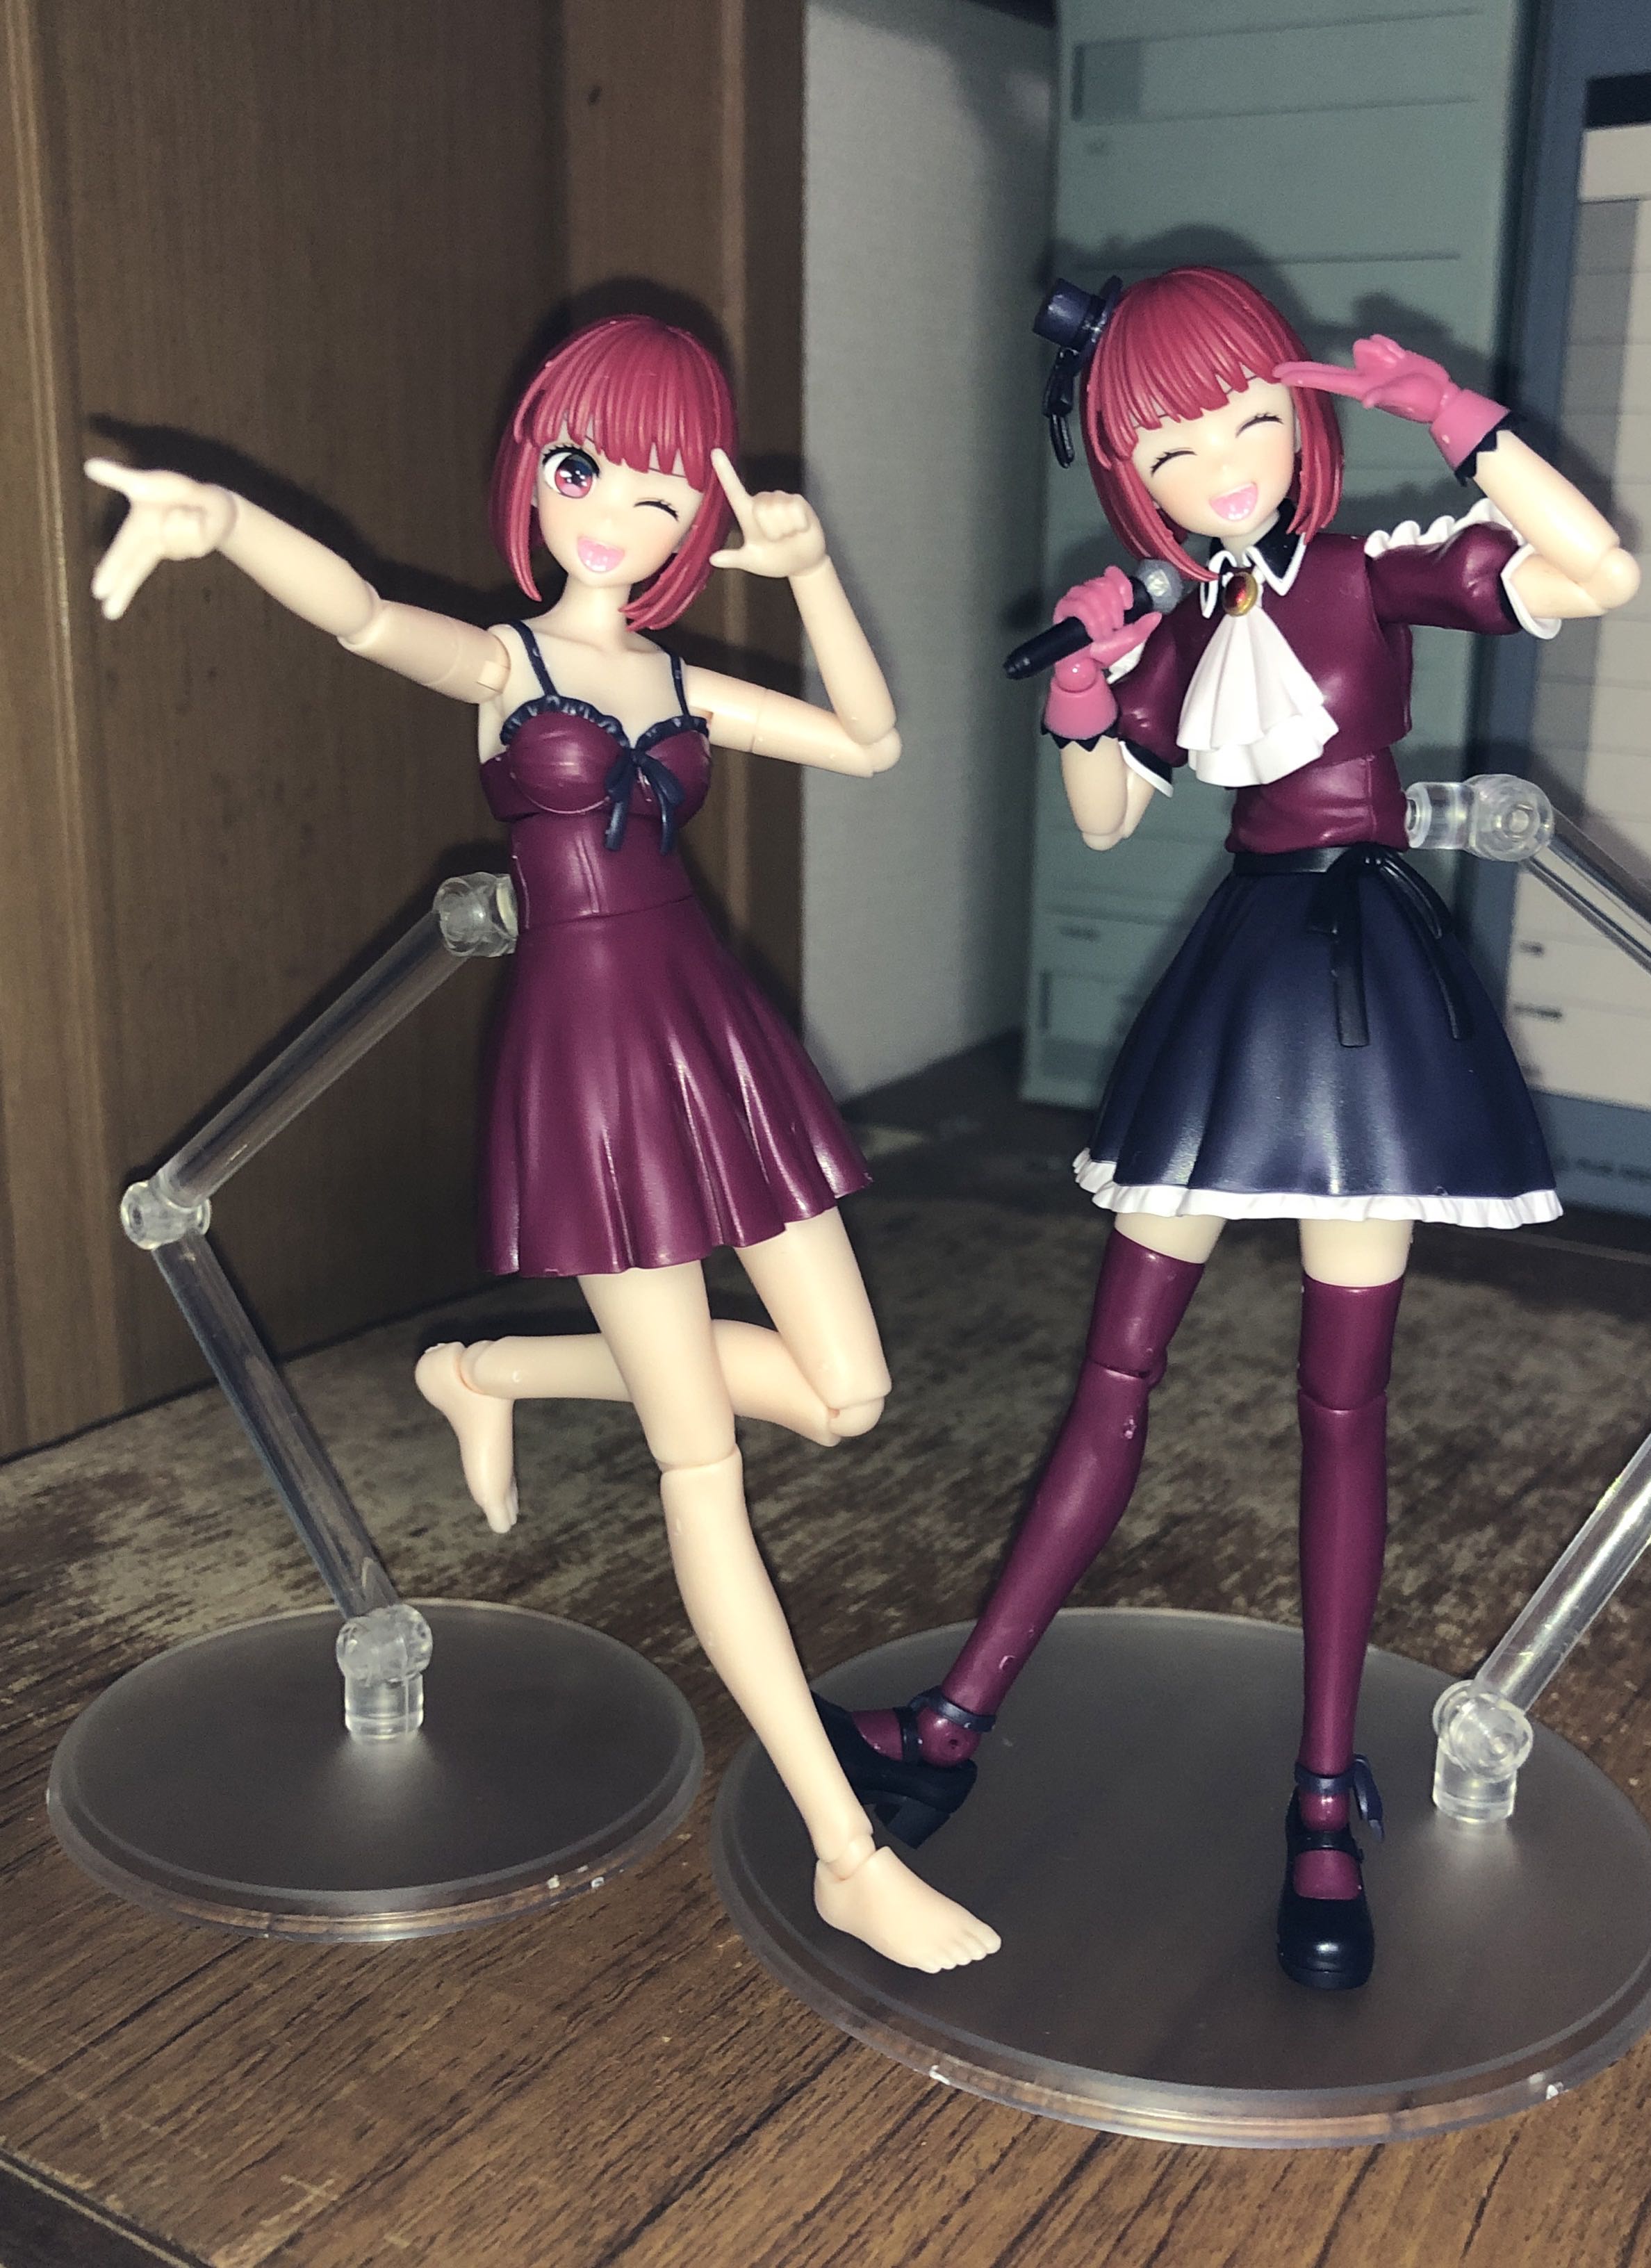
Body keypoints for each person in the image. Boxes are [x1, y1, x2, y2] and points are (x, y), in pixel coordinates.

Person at [87, 313, 999, 1975]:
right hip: (588, 1063)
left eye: (664, 495)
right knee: (701, 1462)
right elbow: (364, 613)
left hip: (715, 1043)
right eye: (590, 472)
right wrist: (223, 521)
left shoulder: (681, 678)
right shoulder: (511, 665)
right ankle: (847, 1852)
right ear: (536, 471)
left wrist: (808, 572)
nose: (621, 519)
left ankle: (490, 1372)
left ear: (697, 520)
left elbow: (868, 742)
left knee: (848, 1395)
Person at [821, 267, 1637, 1989]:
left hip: (1363, 987)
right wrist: (1078, 695)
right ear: (1131, 471)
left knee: (1346, 1401)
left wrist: (1457, 420)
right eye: (1173, 449)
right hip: (1242, 976)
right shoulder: (1178, 624)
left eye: (1249, 422)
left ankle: (1327, 1799)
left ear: (1302, 420)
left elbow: (1596, 573)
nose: (1223, 468)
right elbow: (1110, 816)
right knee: (1115, 1370)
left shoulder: (1367, 571)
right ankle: (958, 1720)